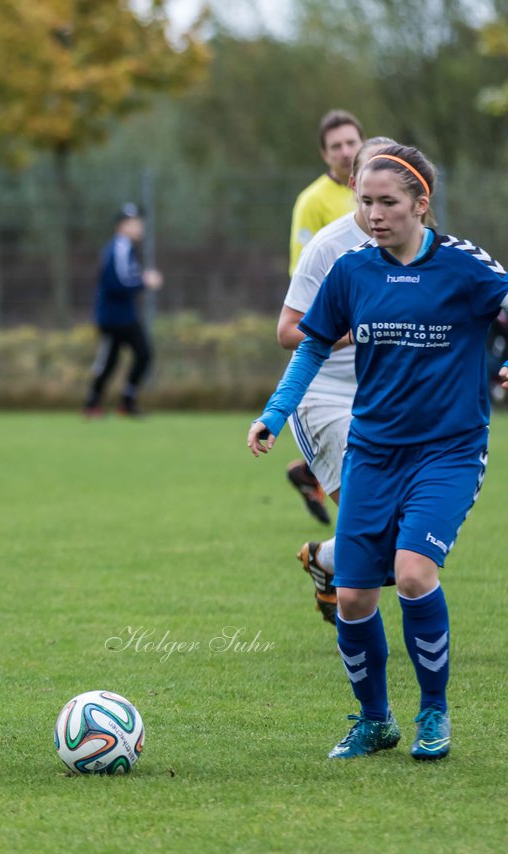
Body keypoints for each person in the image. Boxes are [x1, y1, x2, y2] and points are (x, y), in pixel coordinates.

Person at [248, 144, 508, 761]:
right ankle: (375, 721)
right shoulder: (353, 270)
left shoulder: (464, 267)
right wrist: (273, 414)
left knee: (415, 573)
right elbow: (309, 346)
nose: (374, 215)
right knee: (357, 595)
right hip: (374, 451)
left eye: (388, 202)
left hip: (447, 453)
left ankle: (434, 714)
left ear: (422, 204)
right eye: (365, 202)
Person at [278, 136, 398, 624]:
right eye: (369, 188)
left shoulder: (417, 243)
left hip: (388, 397)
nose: (378, 203)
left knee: (399, 532)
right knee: (377, 530)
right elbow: (288, 332)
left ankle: (326, 559)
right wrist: (354, 331)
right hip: (325, 398)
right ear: (354, 184)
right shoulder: (329, 246)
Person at [285, 109, 366, 525]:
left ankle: (308, 471)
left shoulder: (379, 188)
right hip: (336, 344)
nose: (345, 151)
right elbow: (304, 279)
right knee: (369, 508)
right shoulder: (313, 202)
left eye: (351, 142)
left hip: (375, 353)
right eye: (336, 146)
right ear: (324, 154)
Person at [82, 204, 163, 417]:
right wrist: (145, 281)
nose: (139, 226)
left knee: (118, 359)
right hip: (115, 317)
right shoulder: (118, 248)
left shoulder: (126, 249)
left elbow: (125, 279)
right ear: (122, 226)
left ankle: (106, 402)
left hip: (122, 315)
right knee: (137, 354)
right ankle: (107, 402)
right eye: (134, 223)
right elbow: (116, 283)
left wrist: (140, 280)